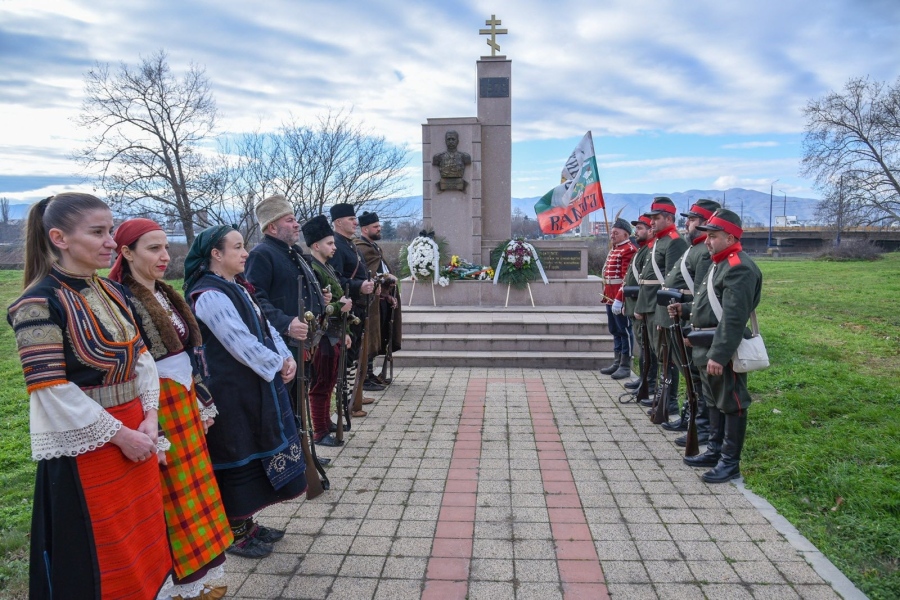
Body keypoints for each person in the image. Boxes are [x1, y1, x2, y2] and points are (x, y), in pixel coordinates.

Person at [8, 193, 171, 598]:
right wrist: (122, 435)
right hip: (89, 444)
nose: (111, 242)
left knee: (142, 536)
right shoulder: (36, 303)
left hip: (137, 431)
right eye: (98, 232)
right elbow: (50, 388)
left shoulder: (114, 292)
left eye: (110, 230)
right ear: (59, 238)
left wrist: (150, 418)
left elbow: (142, 359)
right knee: (101, 550)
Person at [109, 219, 231, 600]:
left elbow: (187, 354)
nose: (165, 256)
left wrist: (201, 399)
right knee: (171, 496)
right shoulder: (122, 299)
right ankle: (175, 585)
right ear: (126, 253)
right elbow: (131, 370)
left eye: (166, 247)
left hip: (183, 397)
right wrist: (154, 426)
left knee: (196, 490)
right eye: (153, 249)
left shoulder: (164, 292)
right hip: (155, 405)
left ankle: (201, 576)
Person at [183, 225, 306, 558]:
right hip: (229, 391)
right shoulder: (209, 294)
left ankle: (247, 524)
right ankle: (233, 533)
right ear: (216, 254)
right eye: (237, 247)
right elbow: (239, 342)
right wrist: (277, 364)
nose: (245, 253)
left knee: (253, 450)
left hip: (251, 386)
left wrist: (285, 356)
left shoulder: (237, 286)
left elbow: (266, 329)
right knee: (237, 456)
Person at [670, 209, 762, 483]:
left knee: (731, 403)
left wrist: (719, 356)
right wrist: (686, 310)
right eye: (707, 236)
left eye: (713, 236)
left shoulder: (738, 268)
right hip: (707, 346)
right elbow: (708, 302)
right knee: (713, 400)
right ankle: (714, 451)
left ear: (730, 237)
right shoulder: (719, 263)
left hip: (723, 349)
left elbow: (733, 318)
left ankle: (730, 463)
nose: (707, 241)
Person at [656, 200, 720, 445]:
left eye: (693, 220)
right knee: (689, 373)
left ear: (705, 223)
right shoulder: (694, 248)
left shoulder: (703, 252)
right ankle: (690, 417)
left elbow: (703, 295)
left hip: (691, 318)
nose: (687, 223)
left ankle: (700, 426)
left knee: (696, 376)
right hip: (681, 315)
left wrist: (691, 328)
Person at [302, 215, 354, 446]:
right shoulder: (313, 270)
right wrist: (339, 306)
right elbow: (317, 307)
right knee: (321, 384)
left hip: (334, 334)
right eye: (329, 243)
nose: (334, 247)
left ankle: (325, 422)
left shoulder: (327, 267)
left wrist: (345, 331)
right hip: (322, 336)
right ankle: (320, 431)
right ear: (316, 245)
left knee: (330, 381)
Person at [635, 197, 688, 415]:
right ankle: (661, 395)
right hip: (651, 303)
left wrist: (664, 314)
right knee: (659, 353)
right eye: (652, 218)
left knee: (668, 356)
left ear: (669, 218)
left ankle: (669, 399)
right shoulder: (659, 241)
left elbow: (672, 281)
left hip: (661, 305)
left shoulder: (674, 241)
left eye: (656, 218)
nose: (652, 222)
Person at [328, 203, 377, 416]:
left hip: (359, 306)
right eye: (351, 219)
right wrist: (359, 286)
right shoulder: (337, 245)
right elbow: (335, 279)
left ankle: (354, 394)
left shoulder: (349, 244)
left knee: (355, 355)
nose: (355, 222)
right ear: (339, 222)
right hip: (349, 309)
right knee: (347, 357)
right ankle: (345, 402)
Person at [355, 211, 402, 387]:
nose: (379, 228)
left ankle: (370, 373)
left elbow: (379, 271)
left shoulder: (374, 247)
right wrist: (385, 278)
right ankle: (364, 377)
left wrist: (387, 294)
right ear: (365, 229)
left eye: (379, 225)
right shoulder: (361, 248)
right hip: (369, 302)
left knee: (378, 335)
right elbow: (368, 274)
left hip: (380, 300)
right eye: (375, 226)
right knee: (370, 336)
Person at [621, 215, 656, 396]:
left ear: (651, 230)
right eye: (636, 228)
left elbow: (648, 282)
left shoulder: (650, 250)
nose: (636, 231)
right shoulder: (642, 249)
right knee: (643, 346)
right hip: (635, 303)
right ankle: (643, 379)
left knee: (648, 348)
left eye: (640, 228)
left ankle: (649, 382)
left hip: (642, 305)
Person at [599, 217, 637, 379]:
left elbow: (626, 278)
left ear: (626, 234)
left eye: (616, 233)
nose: (612, 235)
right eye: (612, 233)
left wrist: (620, 299)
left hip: (620, 298)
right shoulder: (615, 249)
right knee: (615, 330)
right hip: (610, 296)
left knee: (624, 330)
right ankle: (617, 362)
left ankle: (625, 365)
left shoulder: (628, 250)